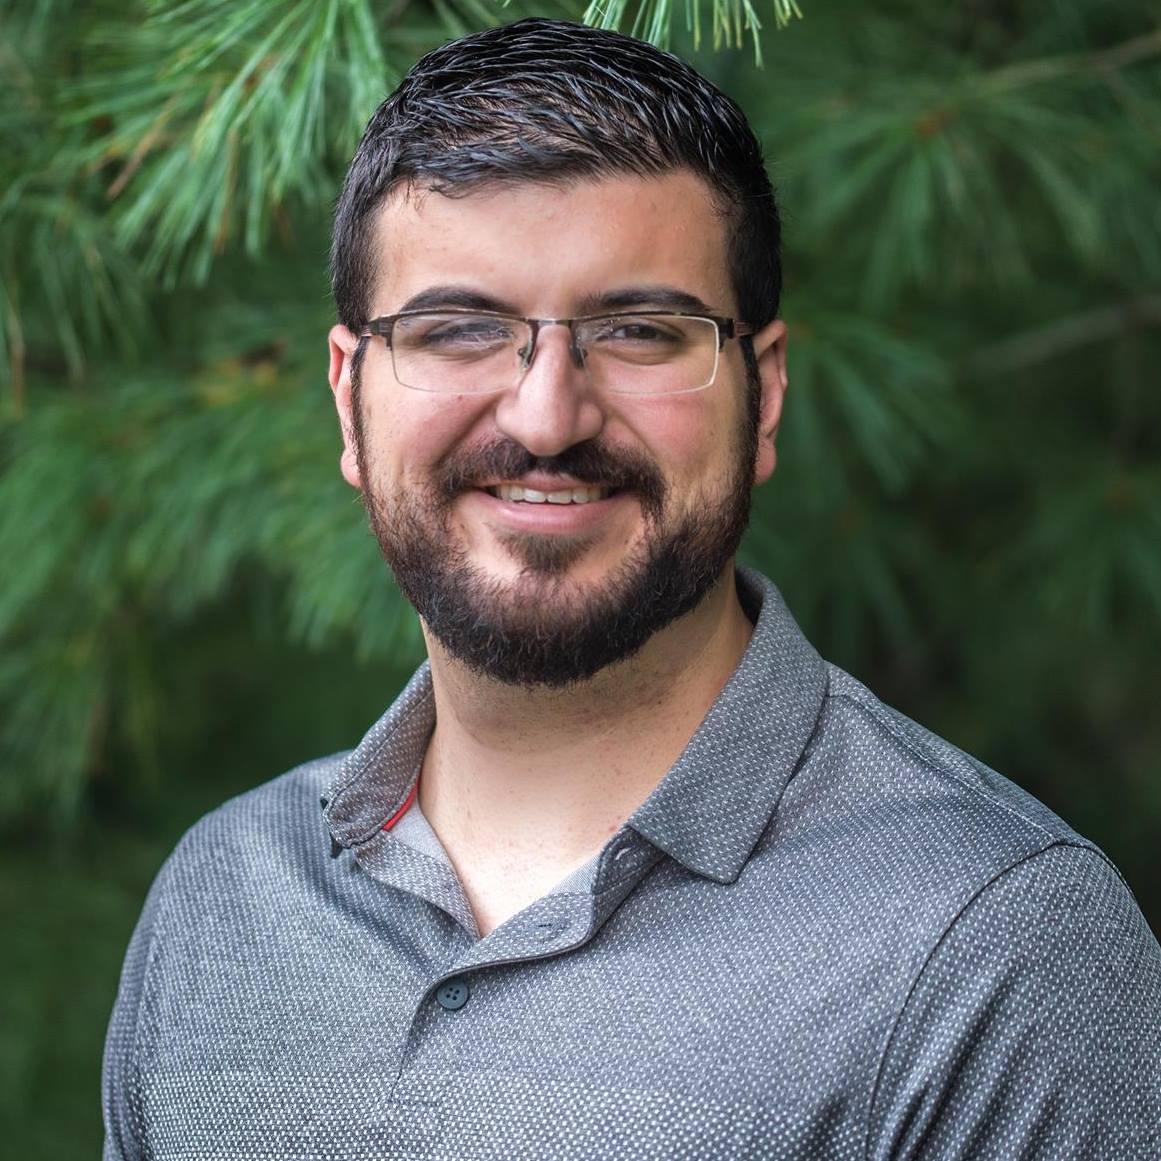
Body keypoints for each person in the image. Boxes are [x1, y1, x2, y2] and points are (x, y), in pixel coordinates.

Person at [102, 18, 1161, 1160]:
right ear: (350, 396)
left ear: (760, 395)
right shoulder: (222, 897)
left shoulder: (993, 945)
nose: (547, 417)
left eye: (641, 331)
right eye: (459, 329)